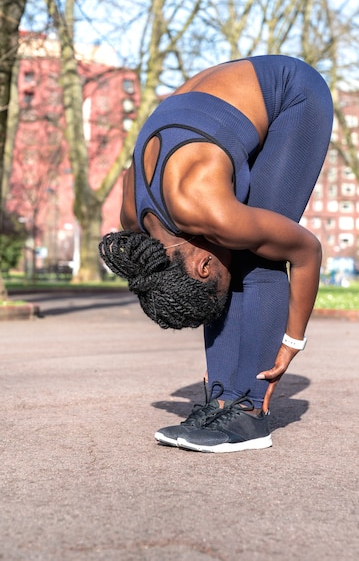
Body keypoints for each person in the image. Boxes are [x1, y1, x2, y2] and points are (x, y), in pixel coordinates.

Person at [99, 55, 333, 453]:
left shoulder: (209, 211)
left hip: (294, 96)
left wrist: (293, 340)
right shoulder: (135, 224)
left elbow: (306, 250)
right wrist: (222, 367)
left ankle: (250, 413)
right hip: (224, 96)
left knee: (259, 256)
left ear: (203, 264)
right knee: (237, 245)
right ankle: (223, 398)